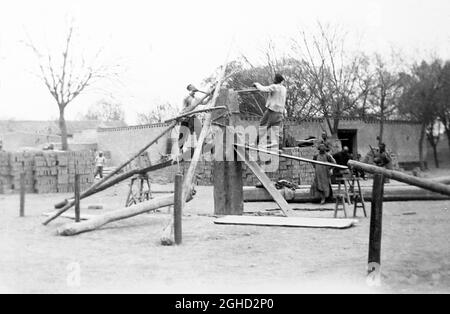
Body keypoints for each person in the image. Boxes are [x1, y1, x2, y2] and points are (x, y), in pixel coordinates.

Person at [253, 73, 287, 150]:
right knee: (278, 130)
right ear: (282, 81)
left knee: (263, 125)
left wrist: (256, 84)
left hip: (272, 111)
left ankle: (256, 143)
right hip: (280, 112)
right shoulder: (284, 89)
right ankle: (279, 147)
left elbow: (263, 89)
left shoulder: (274, 87)